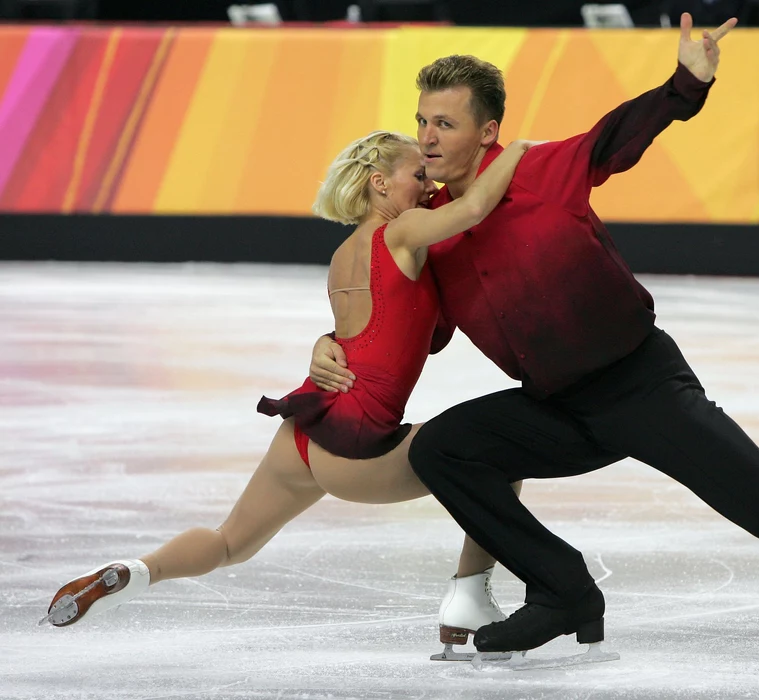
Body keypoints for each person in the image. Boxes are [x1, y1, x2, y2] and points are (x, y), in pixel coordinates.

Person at [308, 14, 759, 656]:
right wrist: (334, 344)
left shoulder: (544, 170)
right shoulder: (432, 228)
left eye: (445, 123)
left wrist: (686, 84)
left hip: (640, 386)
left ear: (487, 133)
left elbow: (620, 135)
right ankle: (563, 591)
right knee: (446, 451)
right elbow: (405, 320)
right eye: (421, 121)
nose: (426, 138)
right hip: (555, 407)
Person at [44, 130, 541, 658]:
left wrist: (322, 343)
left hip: (306, 430)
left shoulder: (342, 255)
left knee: (231, 541)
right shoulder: (403, 233)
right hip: (358, 445)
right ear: (379, 183)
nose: (428, 184)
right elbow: (477, 206)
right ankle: (468, 600)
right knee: (501, 456)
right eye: (417, 175)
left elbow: (365, 333)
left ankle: (138, 571)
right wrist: (520, 150)